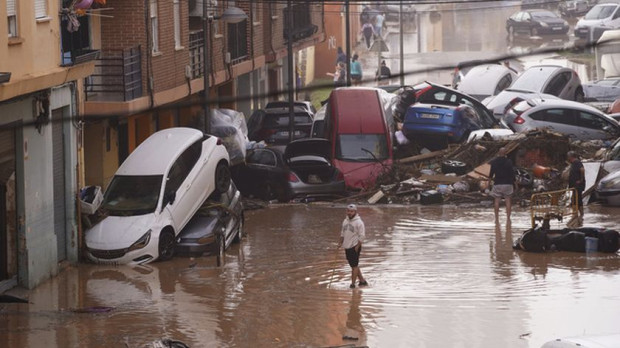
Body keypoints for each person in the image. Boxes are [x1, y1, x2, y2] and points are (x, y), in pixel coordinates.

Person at [338, 204, 368, 289]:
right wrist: (340, 242)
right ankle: (362, 281)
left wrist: (357, 246)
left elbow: (362, 236)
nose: (349, 213)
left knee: (354, 266)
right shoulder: (345, 221)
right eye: (348, 211)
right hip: (346, 246)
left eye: (351, 211)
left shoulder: (359, 222)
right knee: (353, 265)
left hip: (354, 246)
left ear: (355, 212)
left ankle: (353, 284)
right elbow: (342, 233)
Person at [489, 147, 516, 223]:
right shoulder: (509, 162)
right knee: (508, 201)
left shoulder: (494, 162)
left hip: (497, 183)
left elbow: (491, 174)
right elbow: (512, 174)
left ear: (499, 153)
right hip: (508, 184)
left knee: (497, 201)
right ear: (505, 153)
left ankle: (496, 218)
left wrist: (488, 184)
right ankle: (508, 219)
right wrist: (515, 184)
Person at [567, 151, 585, 218]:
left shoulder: (577, 162)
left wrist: (581, 180)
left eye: (568, 156)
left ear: (571, 156)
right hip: (574, 185)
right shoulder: (573, 163)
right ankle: (576, 214)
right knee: (575, 199)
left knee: (578, 199)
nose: (568, 158)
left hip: (578, 185)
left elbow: (582, 170)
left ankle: (579, 214)